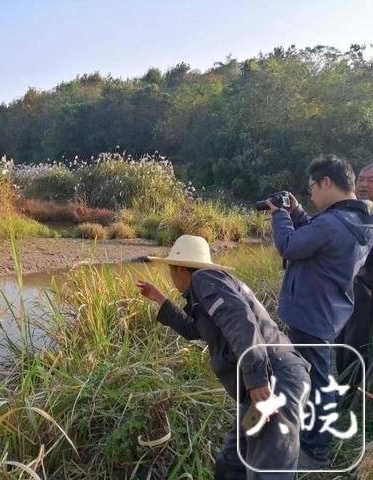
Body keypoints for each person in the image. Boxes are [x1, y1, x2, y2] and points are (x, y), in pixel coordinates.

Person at [137, 234, 311, 479]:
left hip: (274, 383)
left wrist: (257, 380)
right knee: (233, 462)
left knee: (268, 471)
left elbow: (240, 321)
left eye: (169, 269)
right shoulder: (204, 292)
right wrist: (160, 300)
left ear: (178, 268)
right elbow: (193, 329)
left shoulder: (204, 279)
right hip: (264, 388)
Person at [267, 154, 373, 468]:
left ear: (327, 182)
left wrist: (279, 215)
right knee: (317, 375)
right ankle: (308, 434)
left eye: (313, 186)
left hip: (311, 314)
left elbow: (289, 245)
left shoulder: (331, 223)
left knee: (319, 381)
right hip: (329, 311)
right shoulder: (358, 220)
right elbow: (314, 241)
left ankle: (316, 451)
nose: (311, 193)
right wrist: (298, 211)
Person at [336, 163, 373, 379]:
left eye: (371, 181)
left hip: (366, 292)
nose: (364, 185)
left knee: (358, 342)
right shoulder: (348, 213)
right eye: (361, 179)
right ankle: (347, 388)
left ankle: (356, 391)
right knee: (346, 342)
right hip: (348, 291)